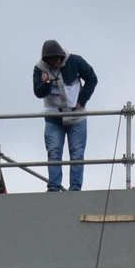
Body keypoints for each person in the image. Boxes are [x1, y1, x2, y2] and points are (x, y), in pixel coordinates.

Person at [33, 39, 97, 192]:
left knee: (77, 154)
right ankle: (53, 188)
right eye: (50, 61)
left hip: (76, 116)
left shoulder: (75, 61)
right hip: (53, 117)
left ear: (60, 56)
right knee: (54, 152)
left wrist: (82, 101)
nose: (53, 64)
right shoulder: (40, 68)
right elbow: (38, 92)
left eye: (55, 60)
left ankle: (75, 188)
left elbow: (92, 79)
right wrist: (46, 83)